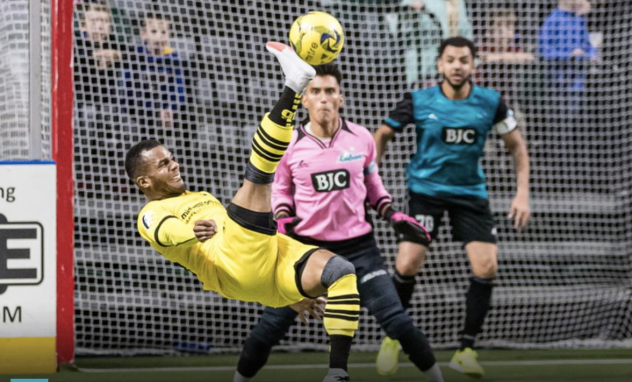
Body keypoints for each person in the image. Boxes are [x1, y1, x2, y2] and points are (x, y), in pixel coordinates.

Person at [125, 42, 360, 382]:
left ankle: (337, 373)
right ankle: (295, 84)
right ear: (144, 181)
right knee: (259, 175)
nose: (174, 164)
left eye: (172, 157)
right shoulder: (150, 213)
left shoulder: (199, 194)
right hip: (231, 261)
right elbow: (164, 232)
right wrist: (191, 232)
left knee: (340, 271)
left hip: (270, 267)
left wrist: (292, 298)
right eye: (163, 164)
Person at [233, 64, 444, 382]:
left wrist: (391, 214)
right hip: (307, 251)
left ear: (341, 97)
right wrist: (281, 221)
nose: (323, 99)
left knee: (397, 320)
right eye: (315, 91)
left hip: (359, 248)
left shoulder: (361, 138)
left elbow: (374, 185)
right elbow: (280, 193)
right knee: (271, 326)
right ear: (303, 100)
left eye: (330, 91)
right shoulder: (289, 144)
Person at [374, 36, 531, 379]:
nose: (457, 66)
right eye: (451, 60)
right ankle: (392, 338)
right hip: (426, 192)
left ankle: (466, 350)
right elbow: (383, 133)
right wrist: (372, 178)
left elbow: (517, 148)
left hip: (470, 194)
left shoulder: (492, 102)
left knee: (487, 266)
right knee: (408, 262)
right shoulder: (418, 100)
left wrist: (522, 194)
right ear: (440, 65)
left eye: (464, 60)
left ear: (474, 65)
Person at [122, 11, 185, 131]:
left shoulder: (173, 57)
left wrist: (170, 108)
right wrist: (153, 111)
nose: (159, 36)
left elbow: (178, 89)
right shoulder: (135, 55)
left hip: (165, 113)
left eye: (164, 32)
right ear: (144, 34)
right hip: (137, 113)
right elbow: (129, 91)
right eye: (154, 31)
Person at [394, 0, 473, 86]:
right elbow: (397, 29)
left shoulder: (458, 2)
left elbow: (466, 32)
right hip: (420, 64)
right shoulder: (412, 2)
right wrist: (411, 12)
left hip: (451, 62)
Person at [538, 0, 597, 110]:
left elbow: (588, 45)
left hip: (577, 85)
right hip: (556, 84)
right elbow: (545, 52)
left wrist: (592, 54)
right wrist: (569, 55)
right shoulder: (552, 20)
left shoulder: (579, 20)